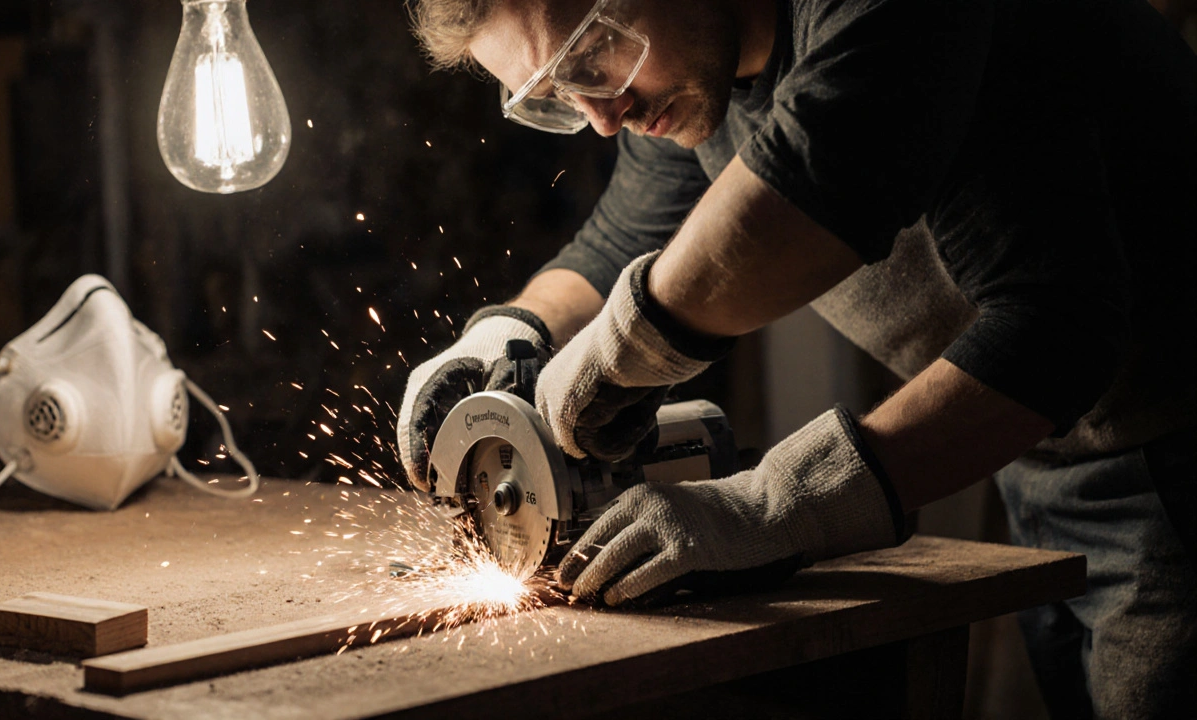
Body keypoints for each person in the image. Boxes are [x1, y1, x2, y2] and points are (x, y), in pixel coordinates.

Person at [397, 0, 1196, 716]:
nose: (602, 115)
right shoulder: (689, 75)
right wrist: (509, 332)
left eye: (589, 58)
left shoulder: (880, 17)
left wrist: (774, 506)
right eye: (558, 96)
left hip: (1170, 453)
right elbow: (626, 233)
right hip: (1037, 458)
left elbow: (1060, 331)